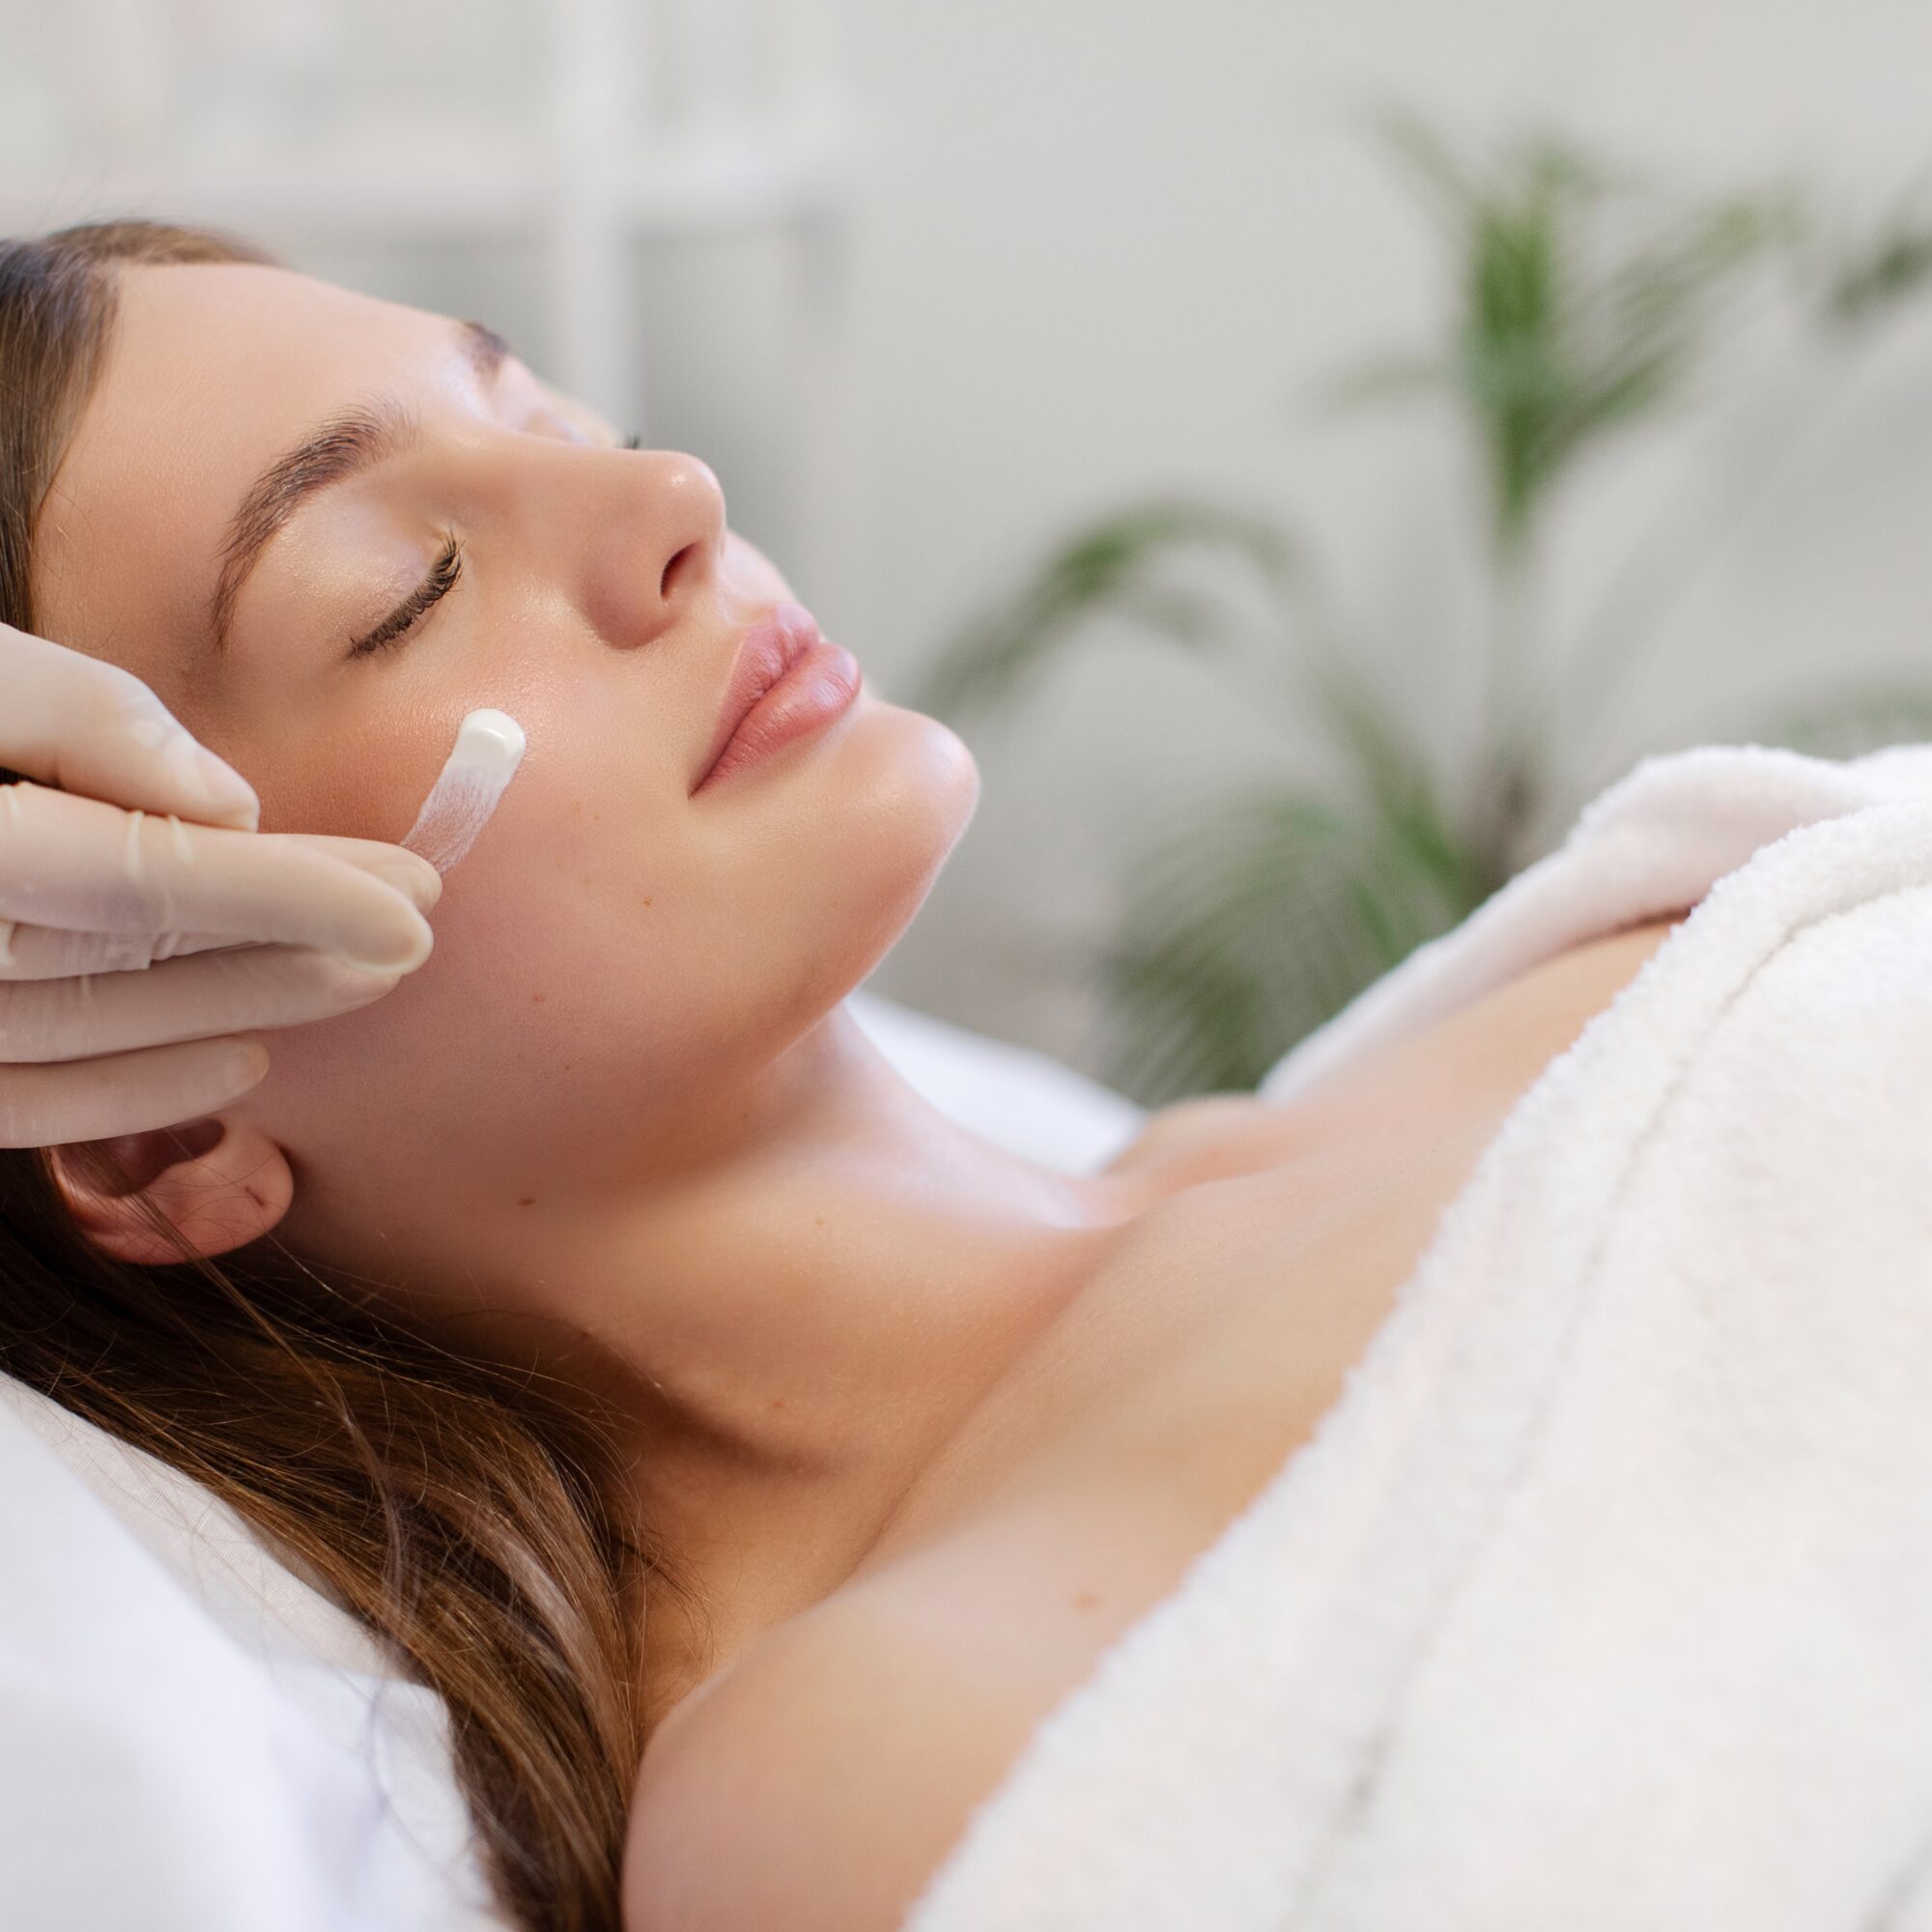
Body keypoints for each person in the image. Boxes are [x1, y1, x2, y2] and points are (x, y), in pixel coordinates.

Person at [0, 220, 1690, 1932]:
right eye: (406, 592)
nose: (670, 496)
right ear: (155, 1134)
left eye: (555, 420)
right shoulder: (890, 1780)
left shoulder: (1615, 958)